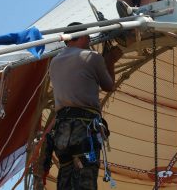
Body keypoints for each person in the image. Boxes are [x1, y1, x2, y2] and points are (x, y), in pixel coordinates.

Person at [49, 22, 122, 190]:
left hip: (62, 132)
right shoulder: (92, 57)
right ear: (81, 36)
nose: (89, 39)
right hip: (84, 129)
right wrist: (109, 61)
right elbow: (108, 85)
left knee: (66, 177)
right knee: (86, 178)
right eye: (88, 36)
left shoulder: (55, 62)